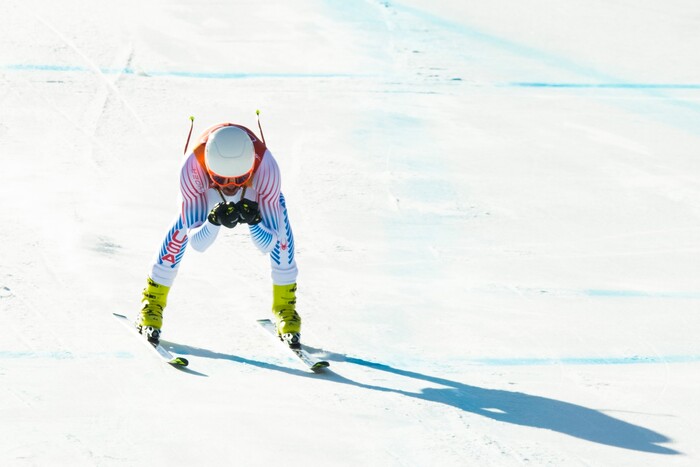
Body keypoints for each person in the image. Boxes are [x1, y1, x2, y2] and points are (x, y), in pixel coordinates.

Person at [137, 122, 301, 348]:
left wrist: (254, 222)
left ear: (250, 169)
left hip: (253, 190)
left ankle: (286, 308)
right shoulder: (192, 167)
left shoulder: (267, 168)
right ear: (210, 169)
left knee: (281, 230)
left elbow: (269, 244)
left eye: (238, 178)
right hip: (207, 191)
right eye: (223, 179)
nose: (231, 187)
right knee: (181, 227)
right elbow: (197, 243)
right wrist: (212, 222)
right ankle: (152, 302)